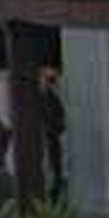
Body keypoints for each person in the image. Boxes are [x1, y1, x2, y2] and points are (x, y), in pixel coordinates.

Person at [42, 67, 67, 199]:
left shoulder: (50, 96)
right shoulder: (47, 97)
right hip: (50, 136)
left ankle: (54, 194)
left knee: (55, 169)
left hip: (51, 136)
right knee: (54, 169)